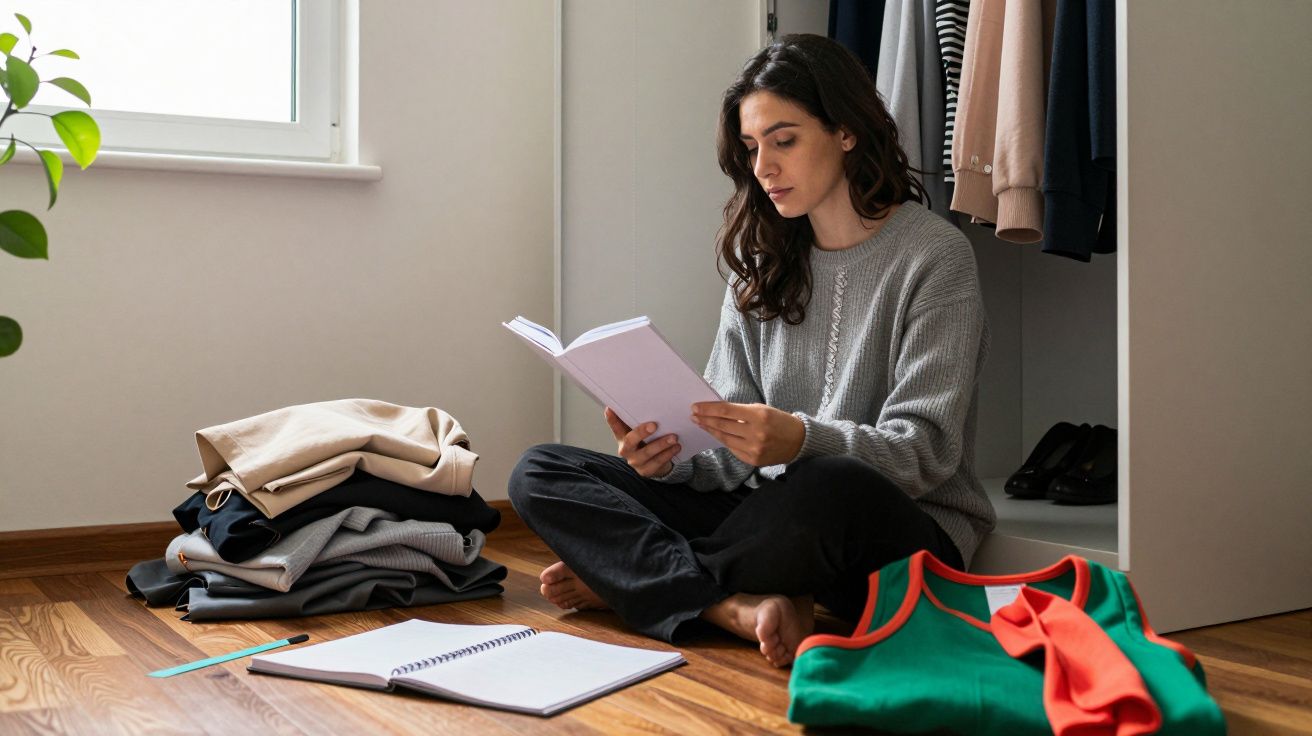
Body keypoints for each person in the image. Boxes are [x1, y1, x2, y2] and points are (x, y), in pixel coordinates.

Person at [508, 33, 995, 667]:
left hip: (893, 531)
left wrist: (798, 440)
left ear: (846, 130)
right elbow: (723, 450)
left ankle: (633, 580)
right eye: (751, 147)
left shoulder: (935, 256)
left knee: (827, 484)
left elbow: (924, 454)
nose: (763, 166)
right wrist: (667, 460)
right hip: (767, 515)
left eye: (784, 140)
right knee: (540, 471)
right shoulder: (761, 264)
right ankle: (725, 603)